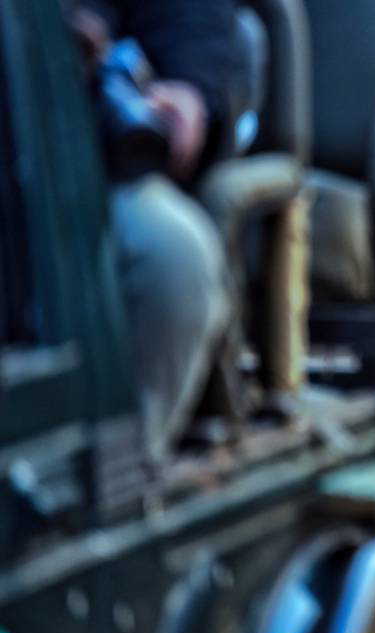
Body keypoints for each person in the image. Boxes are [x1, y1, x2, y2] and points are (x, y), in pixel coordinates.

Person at [71, 0, 245, 461]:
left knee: (171, 255)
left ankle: (124, 478)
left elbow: (191, 22)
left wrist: (188, 89)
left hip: (85, 161)